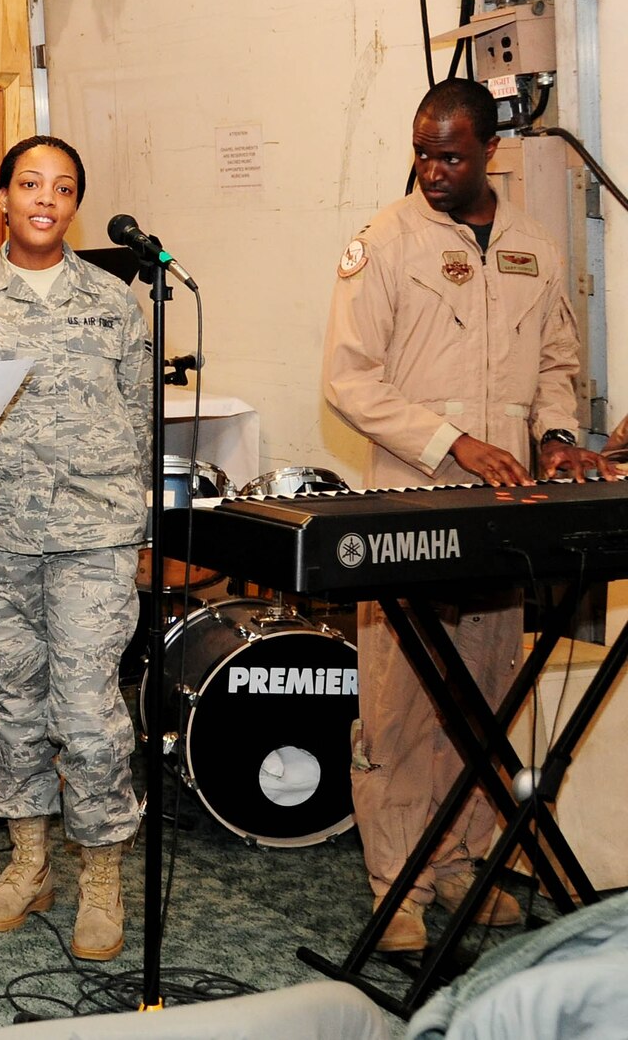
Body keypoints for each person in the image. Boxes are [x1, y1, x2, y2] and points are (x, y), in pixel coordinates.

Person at [322, 77, 613, 952]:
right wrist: (451, 440)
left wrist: (557, 435)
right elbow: (348, 378)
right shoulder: (383, 242)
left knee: (486, 690)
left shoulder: (534, 245)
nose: (433, 169)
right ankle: (398, 883)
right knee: (402, 701)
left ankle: (463, 865)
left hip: (507, 509)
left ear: (491, 150)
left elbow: (557, 361)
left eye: (450, 154)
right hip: (414, 500)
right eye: (422, 151)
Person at [0, 135, 150, 963]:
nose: (45, 199)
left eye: (62, 188)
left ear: (74, 206)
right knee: (14, 707)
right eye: (29, 183)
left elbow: (136, 419)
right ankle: (30, 862)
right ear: (2, 197)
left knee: (90, 714)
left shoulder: (113, 302)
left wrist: (134, 524)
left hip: (94, 538)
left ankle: (101, 873)